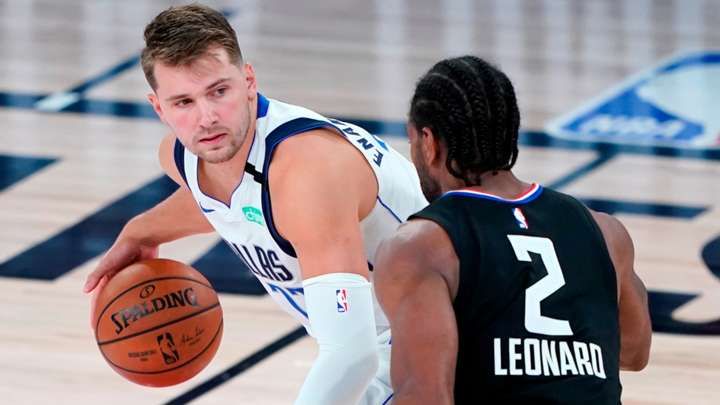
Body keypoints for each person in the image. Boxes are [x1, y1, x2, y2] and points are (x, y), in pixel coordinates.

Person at [82, 4, 427, 404]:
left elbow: (352, 356)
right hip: (391, 340)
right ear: (159, 108)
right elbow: (233, 201)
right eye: (183, 102)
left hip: (442, 335)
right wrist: (142, 230)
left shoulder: (307, 174)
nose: (206, 117)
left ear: (249, 81)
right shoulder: (184, 157)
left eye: (219, 91)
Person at [373, 55, 652, 404]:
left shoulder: (420, 247)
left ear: (428, 142)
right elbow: (634, 351)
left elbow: (426, 397)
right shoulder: (606, 232)